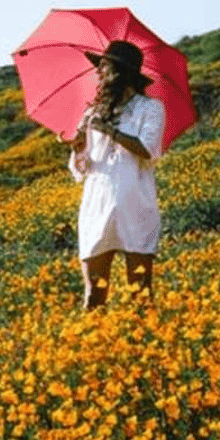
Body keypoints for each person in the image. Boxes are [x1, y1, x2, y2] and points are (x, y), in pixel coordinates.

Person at [62, 40, 166, 310]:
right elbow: (82, 167)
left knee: (141, 292)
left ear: (121, 72)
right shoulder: (92, 112)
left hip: (135, 204)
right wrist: (78, 146)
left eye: (104, 68)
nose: (99, 73)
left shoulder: (150, 108)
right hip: (97, 203)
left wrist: (109, 130)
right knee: (93, 295)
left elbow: (148, 150)